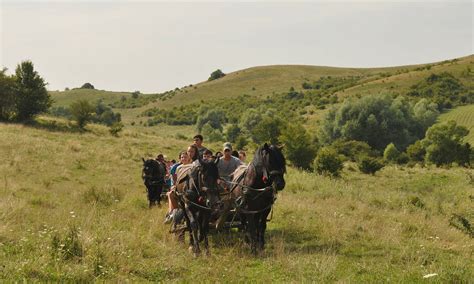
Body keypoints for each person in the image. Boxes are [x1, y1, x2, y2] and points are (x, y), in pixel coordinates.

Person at [164, 145, 200, 224]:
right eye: (189, 151)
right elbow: (177, 180)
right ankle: (173, 213)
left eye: (192, 152)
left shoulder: (196, 163)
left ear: (195, 152)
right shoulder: (179, 167)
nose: (190, 153)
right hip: (182, 187)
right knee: (171, 194)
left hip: (194, 188)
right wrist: (175, 186)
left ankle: (174, 214)